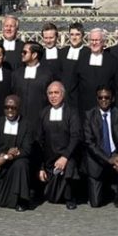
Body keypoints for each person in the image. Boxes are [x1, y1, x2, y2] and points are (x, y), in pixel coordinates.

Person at [0, 94, 37, 211]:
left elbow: (27, 150)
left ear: (19, 108)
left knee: (22, 164)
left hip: (16, 165)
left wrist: (8, 157)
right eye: (7, 107)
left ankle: (22, 200)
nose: (10, 110)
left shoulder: (27, 125)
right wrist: (1, 156)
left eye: (13, 108)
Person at [82, 86, 118, 209]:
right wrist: (108, 159)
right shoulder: (89, 115)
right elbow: (89, 143)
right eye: (100, 97)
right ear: (97, 99)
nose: (103, 100)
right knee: (95, 203)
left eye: (107, 97)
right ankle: (107, 190)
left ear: (112, 99)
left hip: (115, 154)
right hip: (97, 158)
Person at [35, 79, 81, 210]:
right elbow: (39, 140)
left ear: (63, 94)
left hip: (67, 156)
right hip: (49, 160)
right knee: (52, 197)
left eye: (56, 93)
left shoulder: (71, 112)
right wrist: (41, 167)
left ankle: (70, 197)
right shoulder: (43, 113)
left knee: (70, 165)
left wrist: (65, 157)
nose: (53, 96)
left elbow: (76, 137)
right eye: (50, 93)